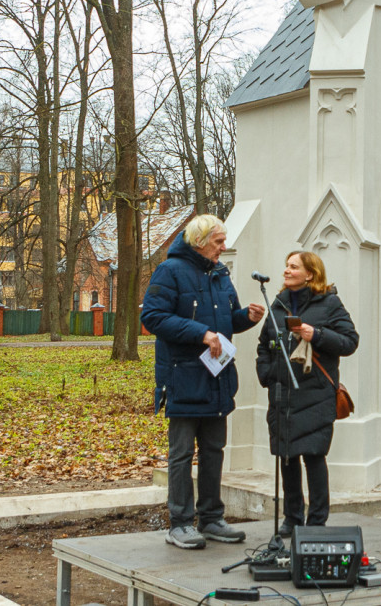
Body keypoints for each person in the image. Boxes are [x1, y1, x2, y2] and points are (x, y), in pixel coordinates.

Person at [141, 214, 265, 550]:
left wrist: (246, 317)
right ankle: (180, 523)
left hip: (217, 378)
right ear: (199, 241)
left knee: (213, 450)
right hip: (183, 378)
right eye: (218, 242)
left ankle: (211, 518)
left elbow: (227, 320)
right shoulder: (169, 271)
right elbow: (152, 317)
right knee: (181, 454)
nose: (223, 248)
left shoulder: (220, 273)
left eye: (223, 241)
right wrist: (201, 334)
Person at [256, 250, 359, 537]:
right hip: (282, 395)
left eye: (293, 267)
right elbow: (264, 345)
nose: (286, 271)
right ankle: (292, 519)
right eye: (286, 266)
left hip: (315, 394)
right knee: (287, 458)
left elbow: (350, 341)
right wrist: (268, 374)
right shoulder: (278, 303)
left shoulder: (329, 303)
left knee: (313, 457)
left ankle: (316, 523)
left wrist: (318, 335)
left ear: (310, 274)